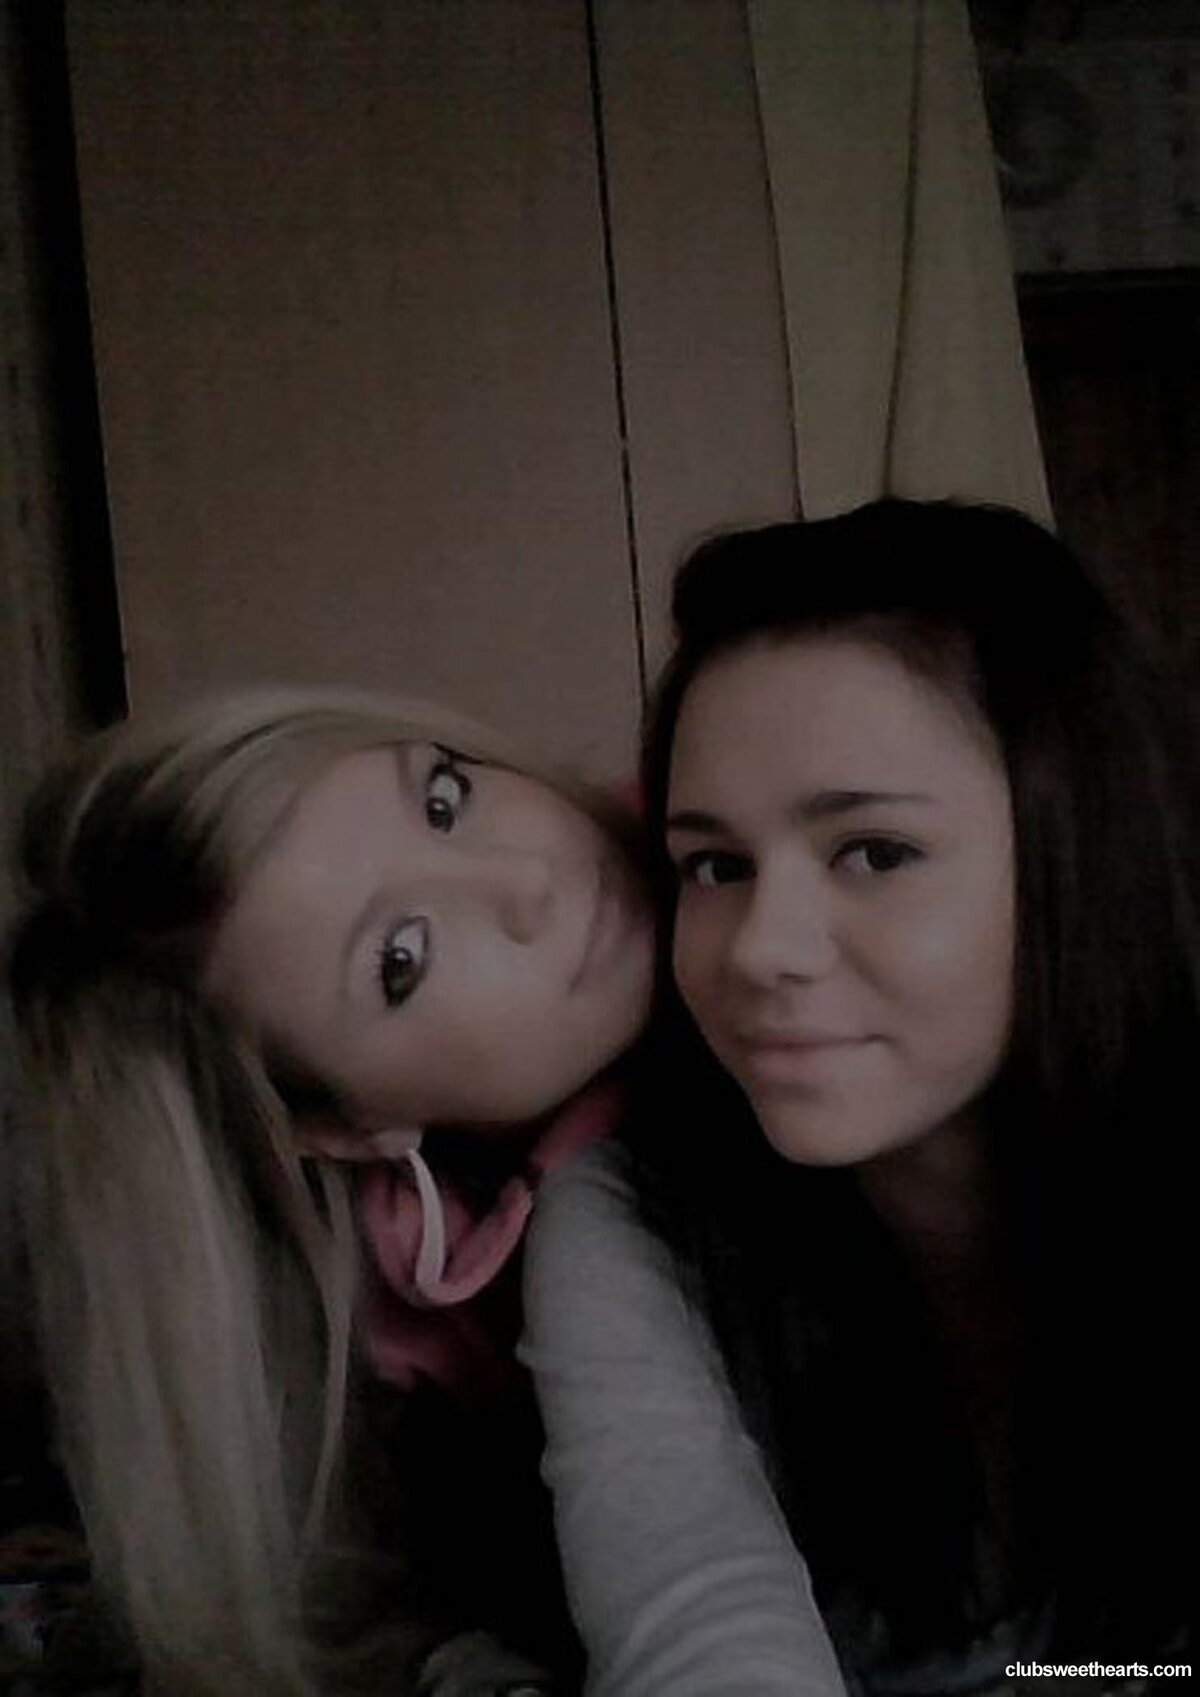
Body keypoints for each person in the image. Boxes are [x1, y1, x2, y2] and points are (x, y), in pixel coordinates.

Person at [525, 500, 1195, 1695]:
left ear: (1080, 848)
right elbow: (695, 1611)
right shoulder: (636, 1215)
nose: (758, 948)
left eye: (875, 851)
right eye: (715, 865)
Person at [6, 685, 659, 1697]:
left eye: (445, 799)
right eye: (402, 958)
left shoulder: (773, 811)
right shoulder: (441, 1387)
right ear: (347, 1126)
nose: (531, 880)